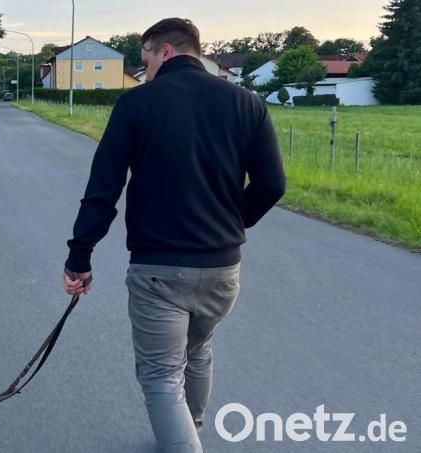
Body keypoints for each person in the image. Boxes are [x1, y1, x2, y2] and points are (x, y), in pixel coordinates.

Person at [62, 18, 286, 453]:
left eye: (144, 57)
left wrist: (79, 257)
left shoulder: (137, 104)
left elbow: (103, 189)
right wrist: (233, 223)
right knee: (197, 349)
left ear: (164, 50)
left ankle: (183, 444)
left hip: (159, 270)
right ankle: (189, 431)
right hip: (223, 268)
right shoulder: (247, 102)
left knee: (161, 375)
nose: (143, 67)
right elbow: (272, 185)